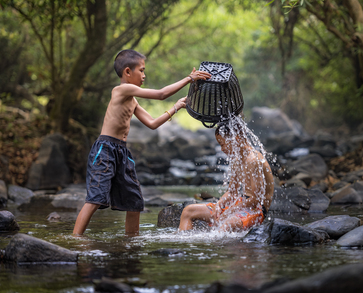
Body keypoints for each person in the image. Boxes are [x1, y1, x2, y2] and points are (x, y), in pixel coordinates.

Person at [73, 49, 211, 236]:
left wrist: (176, 107)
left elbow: (152, 124)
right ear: (127, 72)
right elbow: (161, 94)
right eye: (142, 70)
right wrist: (189, 78)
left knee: (135, 200)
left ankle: (132, 240)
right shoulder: (121, 90)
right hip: (105, 149)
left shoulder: (133, 100)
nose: (144, 75)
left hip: (121, 151)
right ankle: (76, 239)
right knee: (96, 198)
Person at [178, 120, 274, 232]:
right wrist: (218, 205)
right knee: (188, 211)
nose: (222, 149)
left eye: (222, 144)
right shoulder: (237, 159)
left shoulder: (253, 160)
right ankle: (182, 245)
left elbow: (256, 199)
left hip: (256, 210)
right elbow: (232, 192)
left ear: (236, 138)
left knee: (227, 225)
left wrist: (230, 211)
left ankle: (215, 248)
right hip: (240, 204)